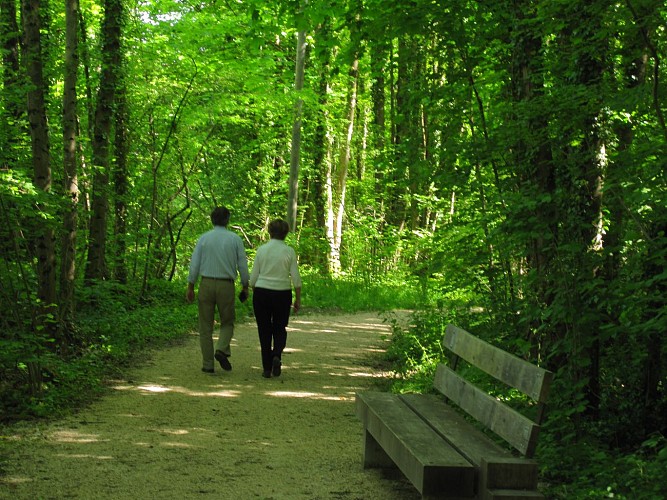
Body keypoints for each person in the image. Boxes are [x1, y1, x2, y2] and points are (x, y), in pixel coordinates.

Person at [186, 206, 249, 374]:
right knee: (227, 321)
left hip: (206, 284)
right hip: (226, 285)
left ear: (212, 219)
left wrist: (191, 286)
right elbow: (242, 264)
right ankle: (221, 349)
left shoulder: (203, 239)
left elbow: (195, 264)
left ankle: (208, 364)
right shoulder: (235, 239)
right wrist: (245, 285)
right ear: (227, 220)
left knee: (205, 325)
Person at [249, 219, 302, 378]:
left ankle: (266, 368)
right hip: (282, 293)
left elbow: (253, 279)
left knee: (264, 330)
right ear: (285, 233)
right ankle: (276, 354)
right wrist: (297, 298)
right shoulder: (289, 251)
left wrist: (254, 289)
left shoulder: (262, 250)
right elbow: (296, 278)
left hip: (262, 292)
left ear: (269, 232)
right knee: (280, 327)